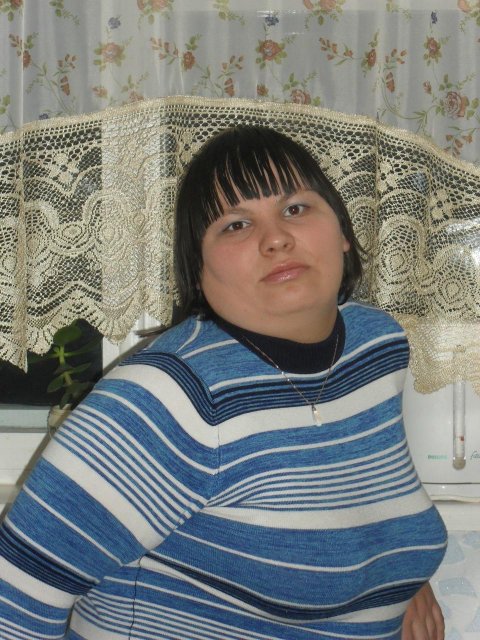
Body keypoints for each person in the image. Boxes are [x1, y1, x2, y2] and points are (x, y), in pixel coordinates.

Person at [0, 125, 447, 639]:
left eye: (296, 208)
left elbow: (354, 497)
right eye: (236, 225)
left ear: (342, 232)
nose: (276, 238)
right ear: (198, 270)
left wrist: (398, 573)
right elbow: (12, 601)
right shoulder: (168, 399)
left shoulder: (376, 346)